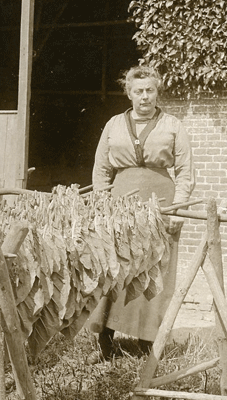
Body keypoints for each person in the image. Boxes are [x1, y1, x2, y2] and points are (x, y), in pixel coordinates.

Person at [88, 65, 195, 362]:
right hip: (121, 205)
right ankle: (105, 341)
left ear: (157, 91)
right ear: (129, 93)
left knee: (154, 271)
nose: (144, 97)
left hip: (161, 204)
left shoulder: (173, 125)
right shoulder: (113, 125)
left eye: (150, 90)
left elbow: (185, 173)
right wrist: (102, 203)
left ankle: (148, 343)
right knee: (115, 267)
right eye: (138, 91)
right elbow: (101, 169)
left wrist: (179, 210)